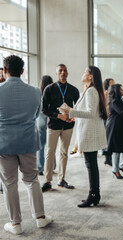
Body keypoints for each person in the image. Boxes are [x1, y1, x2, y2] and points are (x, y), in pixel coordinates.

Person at [0, 55, 53, 235]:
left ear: (5, 70)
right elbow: (37, 115)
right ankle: (40, 218)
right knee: (31, 179)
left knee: (9, 183)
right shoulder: (35, 92)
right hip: (28, 140)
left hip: (4, 142)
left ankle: (16, 224)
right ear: (22, 71)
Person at [58, 65, 107, 207]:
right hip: (87, 130)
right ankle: (94, 194)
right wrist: (72, 115)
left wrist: (71, 111)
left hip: (90, 133)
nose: (82, 73)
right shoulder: (88, 90)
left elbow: (91, 113)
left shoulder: (91, 91)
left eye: (85, 71)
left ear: (90, 76)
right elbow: (87, 113)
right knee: (91, 164)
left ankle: (93, 195)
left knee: (91, 165)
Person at [41, 64, 80, 192]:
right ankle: (47, 181)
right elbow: (44, 109)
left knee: (64, 153)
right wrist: (58, 116)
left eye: (65, 70)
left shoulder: (73, 90)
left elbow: (78, 108)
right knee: (50, 152)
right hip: (53, 125)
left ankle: (61, 180)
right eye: (60, 71)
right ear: (56, 73)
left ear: (67, 73)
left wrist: (73, 116)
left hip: (68, 125)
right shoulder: (49, 89)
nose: (63, 73)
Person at [106, 84, 123, 179]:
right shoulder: (114, 101)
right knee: (117, 149)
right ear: (117, 91)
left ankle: (122, 166)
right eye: (121, 89)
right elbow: (122, 112)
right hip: (115, 128)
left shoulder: (120, 101)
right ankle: (115, 170)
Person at [36, 75, 57, 175]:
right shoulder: (53, 93)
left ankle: (40, 168)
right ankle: (51, 167)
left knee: (40, 146)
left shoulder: (38, 94)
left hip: (40, 120)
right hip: (51, 120)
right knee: (51, 146)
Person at [102, 78, 115, 166]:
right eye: (111, 84)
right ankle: (107, 157)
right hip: (106, 117)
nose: (113, 85)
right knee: (107, 137)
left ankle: (108, 157)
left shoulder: (112, 93)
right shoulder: (105, 93)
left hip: (110, 117)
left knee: (109, 137)